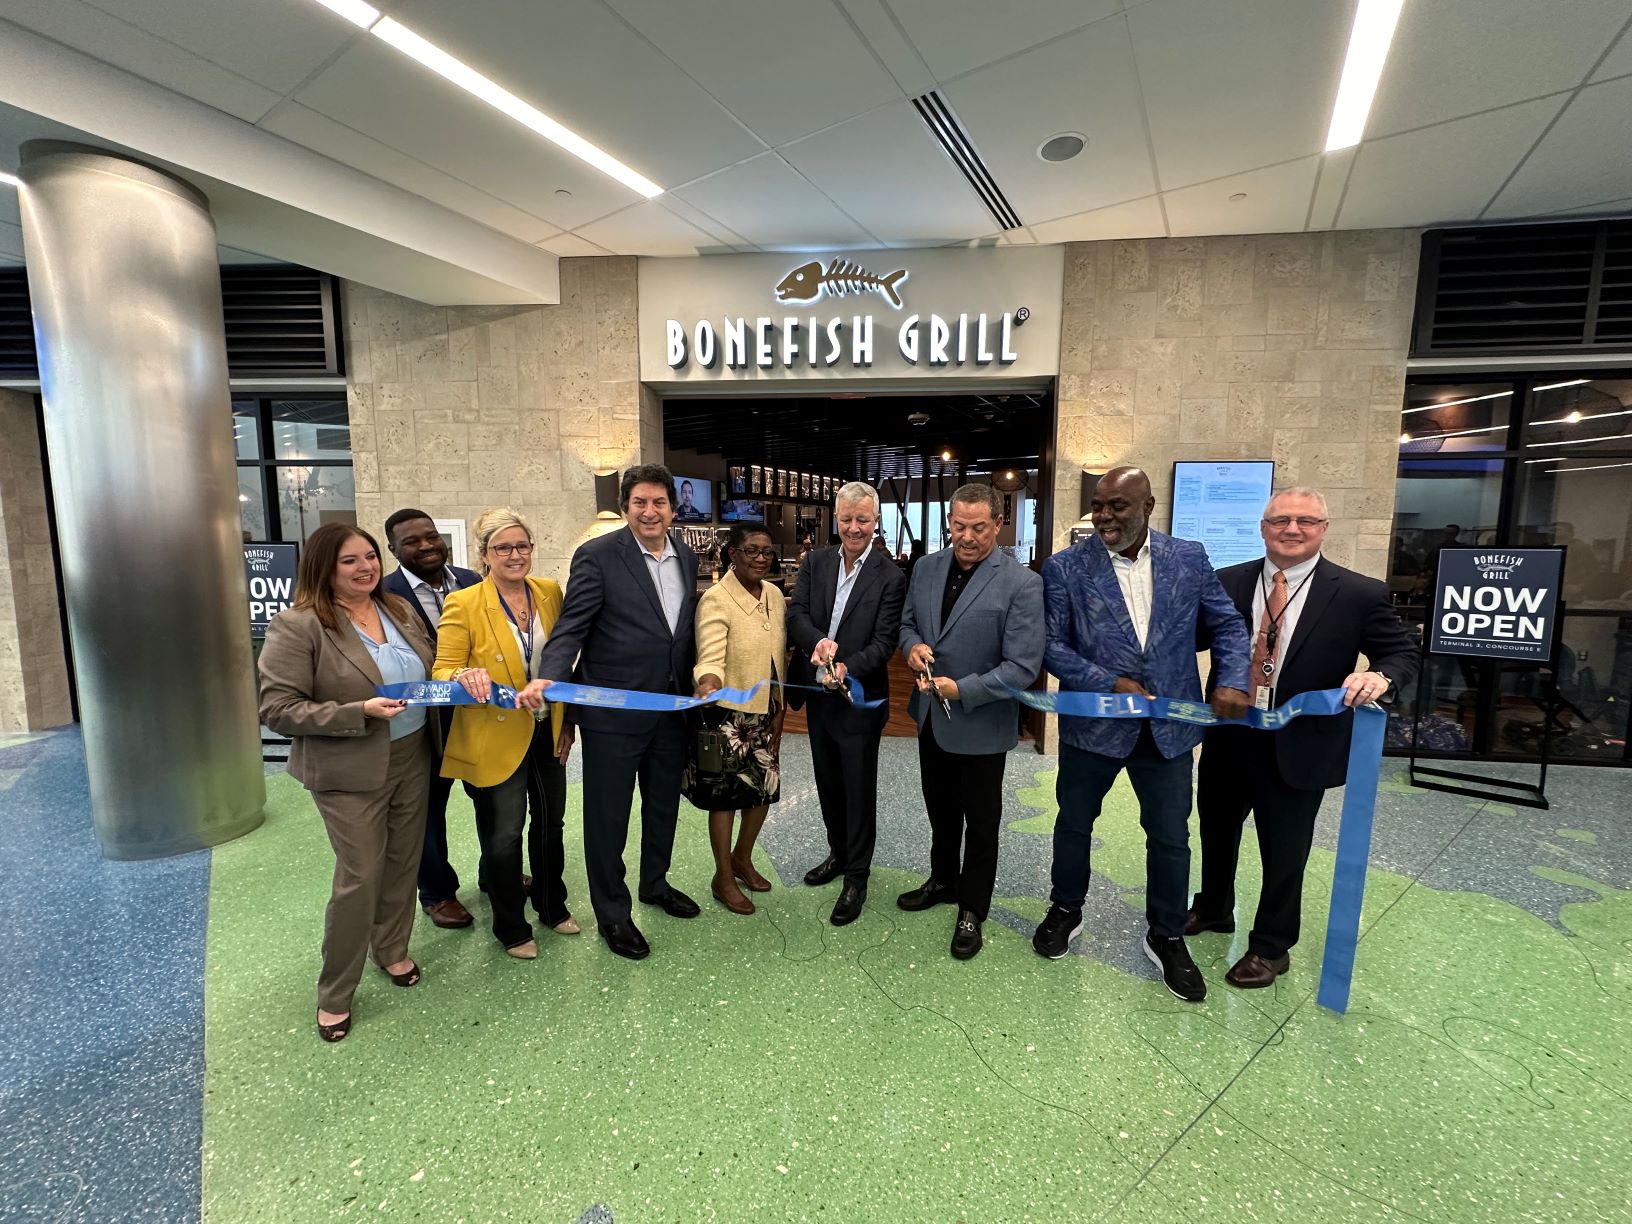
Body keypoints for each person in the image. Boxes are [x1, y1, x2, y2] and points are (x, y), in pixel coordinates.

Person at [1033, 466, 1251, 1004]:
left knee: (1171, 836)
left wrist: (1232, 678)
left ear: (1149, 506)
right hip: (1094, 727)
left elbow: (1227, 625)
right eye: (1098, 506)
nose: (1105, 516)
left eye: (1118, 506)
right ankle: (1066, 908)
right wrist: (1110, 683)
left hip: (1168, 731)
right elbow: (1051, 646)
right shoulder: (1065, 568)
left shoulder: (1188, 558)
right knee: (1074, 823)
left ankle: (1167, 934)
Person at [1189, 487, 1418, 987]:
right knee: (1216, 830)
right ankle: (1213, 908)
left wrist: (1380, 676)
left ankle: (1271, 947)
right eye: (1280, 520)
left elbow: (1401, 654)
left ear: (1323, 529)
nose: (1292, 529)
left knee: (1285, 848)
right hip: (1231, 735)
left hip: (1300, 744)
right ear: (1263, 528)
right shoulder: (1226, 582)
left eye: (1305, 521)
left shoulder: (1358, 593)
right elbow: (1188, 637)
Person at [257, 523, 435, 1042]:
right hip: (348, 767)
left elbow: (431, 667)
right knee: (360, 874)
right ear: (324, 568)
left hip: (412, 754)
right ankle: (335, 992)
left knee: (403, 862)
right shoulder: (299, 625)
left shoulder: (396, 609)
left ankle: (392, 949)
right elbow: (278, 709)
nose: (366, 568)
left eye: (370, 556)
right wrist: (359, 710)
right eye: (350, 560)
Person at [536, 464, 701, 961]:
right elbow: (572, 627)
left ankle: (655, 882)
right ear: (626, 506)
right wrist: (553, 678)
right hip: (612, 714)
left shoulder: (686, 556)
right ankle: (612, 912)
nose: (650, 512)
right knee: (608, 817)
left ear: (673, 508)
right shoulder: (599, 555)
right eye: (639, 503)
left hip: (671, 708)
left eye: (659, 502)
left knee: (663, 806)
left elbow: (681, 633)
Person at [897, 484, 1045, 959]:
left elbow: (1022, 666)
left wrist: (964, 690)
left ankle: (972, 908)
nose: (967, 536)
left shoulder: (1021, 583)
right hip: (931, 719)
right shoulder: (926, 568)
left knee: (981, 824)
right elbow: (907, 625)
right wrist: (912, 648)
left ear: (998, 524)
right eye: (959, 526)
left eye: (978, 527)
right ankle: (942, 879)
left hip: (981, 725)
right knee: (939, 811)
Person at [433, 508, 576, 960]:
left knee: (551, 823)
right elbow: (442, 669)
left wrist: (569, 722)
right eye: (503, 548)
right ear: (484, 554)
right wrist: (465, 675)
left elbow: (564, 661)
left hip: (547, 728)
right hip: (495, 735)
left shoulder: (550, 592)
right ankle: (511, 926)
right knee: (505, 833)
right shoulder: (464, 603)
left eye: (522, 546)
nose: (515, 555)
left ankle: (552, 905)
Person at [787, 481, 907, 925]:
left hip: (858, 698)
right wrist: (818, 643)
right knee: (828, 783)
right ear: (835, 519)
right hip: (818, 696)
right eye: (846, 519)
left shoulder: (890, 577)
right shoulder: (816, 562)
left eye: (863, 520)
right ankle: (838, 854)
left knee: (857, 790)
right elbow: (797, 614)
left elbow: (884, 642)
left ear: (876, 522)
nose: (854, 528)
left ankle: (857, 875)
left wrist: (845, 667)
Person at [381, 508, 483, 930]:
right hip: (423, 725)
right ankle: (438, 893)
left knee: (491, 801)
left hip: (477, 716)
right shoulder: (384, 595)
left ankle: (497, 873)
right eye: (411, 541)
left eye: (431, 536)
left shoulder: (473, 581)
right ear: (393, 549)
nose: (425, 546)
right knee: (426, 813)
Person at [687, 524, 787, 915]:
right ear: (733, 554)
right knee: (726, 797)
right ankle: (723, 876)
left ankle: (742, 857)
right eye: (752, 551)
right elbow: (709, 654)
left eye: (767, 551)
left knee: (764, 789)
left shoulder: (774, 595)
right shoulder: (716, 599)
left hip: (767, 709)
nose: (761, 558)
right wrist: (709, 680)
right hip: (727, 715)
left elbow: (779, 655)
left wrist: (780, 705)